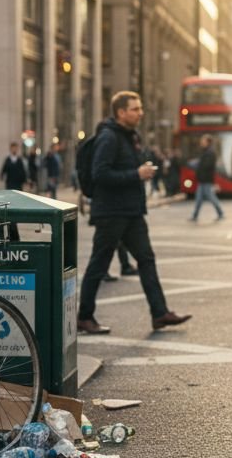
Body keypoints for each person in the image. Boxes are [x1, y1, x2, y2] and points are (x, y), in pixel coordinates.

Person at [76, 91, 191, 335]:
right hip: (111, 212)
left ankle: (160, 313)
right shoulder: (109, 138)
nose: (141, 113)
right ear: (121, 112)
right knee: (99, 263)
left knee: (146, 260)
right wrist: (135, 175)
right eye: (135, 109)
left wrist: (139, 171)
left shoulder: (128, 137)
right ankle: (84, 316)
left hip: (130, 212)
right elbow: (100, 174)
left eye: (140, 108)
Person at [190, 135, 225, 222]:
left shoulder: (210, 153)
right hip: (202, 180)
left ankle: (220, 213)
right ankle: (195, 216)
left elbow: (207, 166)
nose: (201, 142)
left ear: (208, 142)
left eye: (203, 141)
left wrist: (197, 166)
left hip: (206, 180)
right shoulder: (206, 152)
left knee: (211, 197)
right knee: (198, 199)